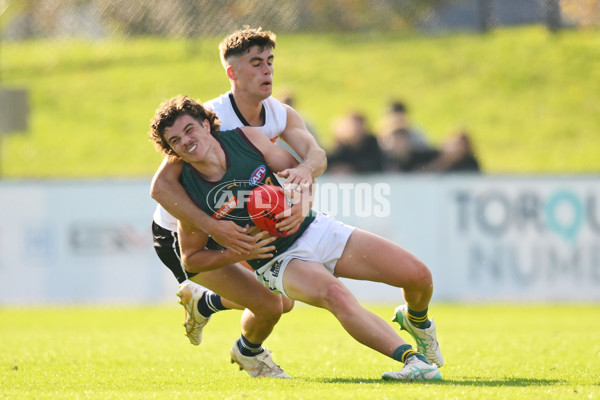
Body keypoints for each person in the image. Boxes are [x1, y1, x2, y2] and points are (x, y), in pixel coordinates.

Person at [149, 95, 445, 381]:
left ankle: (416, 319)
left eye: (189, 129)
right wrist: (236, 253)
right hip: (277, 260)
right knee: (336, 295)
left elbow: (299, 174)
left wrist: (301, 204)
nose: (186, 141)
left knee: (417, 275)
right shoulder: (187, 192)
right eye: (175, 141)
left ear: (205, 124)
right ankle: (412, 361)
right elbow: (191, 258)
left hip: (314, 227)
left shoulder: (245, 138)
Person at [149, 27, 327, 376]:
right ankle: (244, 347)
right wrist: (213, 226)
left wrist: (304, 191)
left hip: (234, 219)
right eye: (256, 63)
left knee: (283, 300)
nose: (267, 70)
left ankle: (209, 305)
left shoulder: (280, 114)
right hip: (183, 233)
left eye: (270, 62)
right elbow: (160, 188)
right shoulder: (205, 119)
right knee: (275, 300)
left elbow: (316, 156)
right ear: (232, 72)